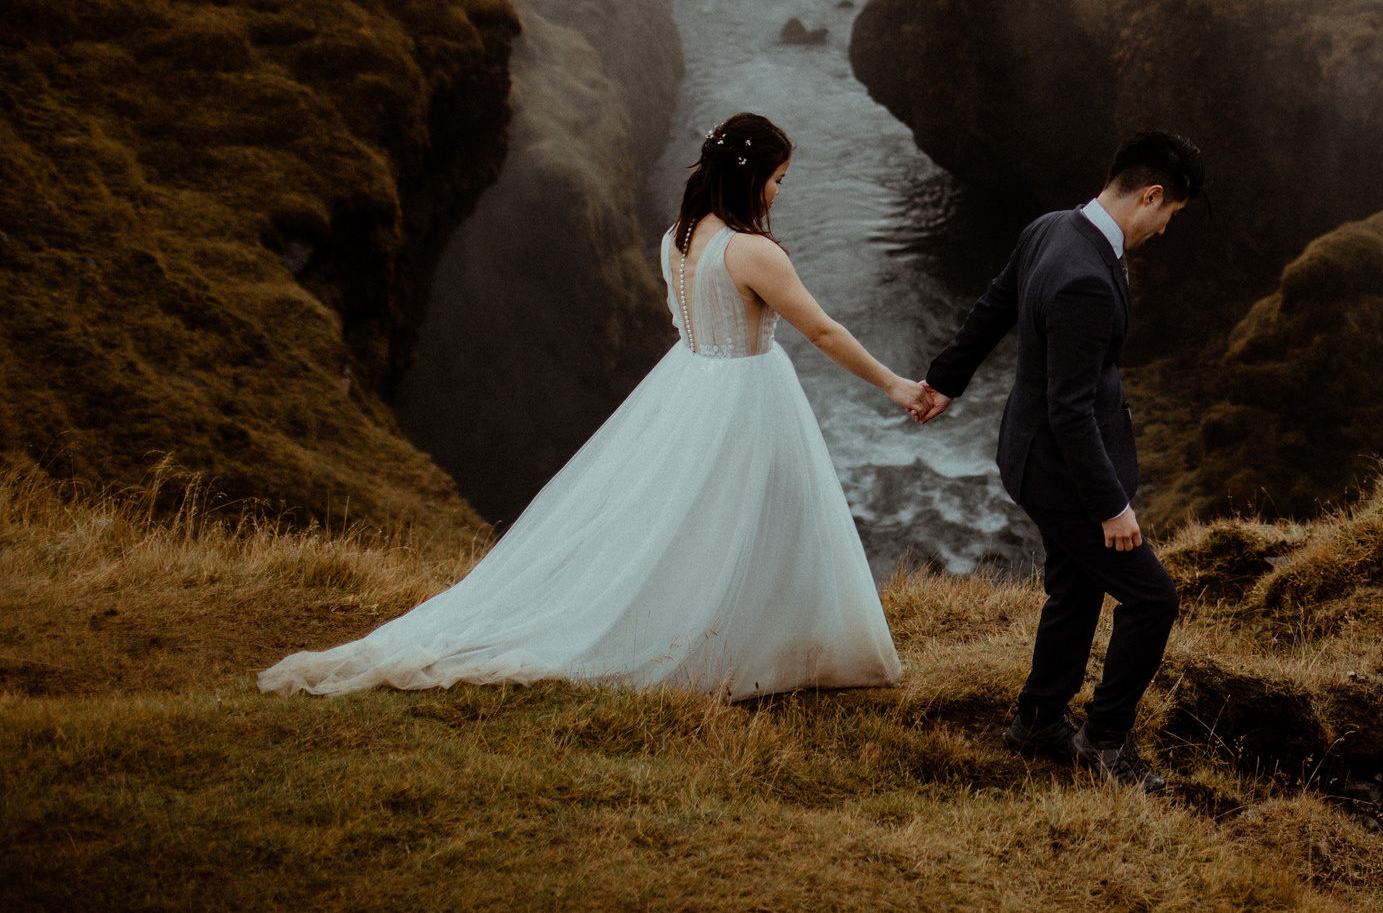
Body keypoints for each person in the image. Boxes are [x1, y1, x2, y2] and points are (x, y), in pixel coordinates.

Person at [261, 113, 932, 699]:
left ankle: (741, 633)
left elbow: (682, 318)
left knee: (695, 517)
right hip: (746, 390)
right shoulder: (752, 251)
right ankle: (760, 640)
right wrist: (896, 384)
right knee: (764, 507)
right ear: (752, 176)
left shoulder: (678, 237)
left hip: (691, 382)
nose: (780, 192)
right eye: (779, 178)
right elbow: (822, 331)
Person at [912, 130, 1203, 793]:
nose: (1162, 232)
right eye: (1169, 217)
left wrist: (944, 380)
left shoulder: (1052, 229)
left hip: (1030, 451)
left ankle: (1038, 721)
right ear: (1151, 195)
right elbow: (1071, 410)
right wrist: (1112, 506)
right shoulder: (1084, 279)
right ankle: (1105, 740)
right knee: (1153, 597)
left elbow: (994, 306)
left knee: (1075, 586)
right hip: (1063, 472)